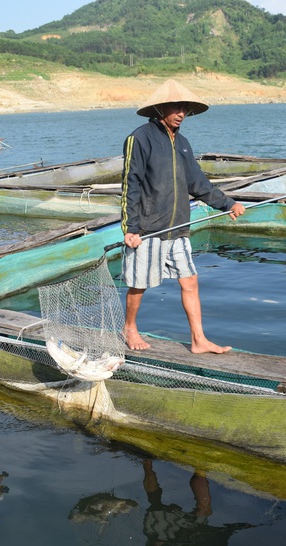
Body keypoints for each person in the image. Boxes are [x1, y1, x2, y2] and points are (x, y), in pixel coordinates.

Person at [121, 79, 245, 354]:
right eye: (176, 107)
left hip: (179, 227)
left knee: (190, 281)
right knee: (139, 284)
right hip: (148, 227)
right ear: (160, 108)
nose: (181, 113)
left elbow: (198, 184)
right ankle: (129, 328)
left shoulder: (184, 143)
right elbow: (131, 184)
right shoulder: (139, 138)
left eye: (185, 109)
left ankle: (199, 340)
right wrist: (131, 228)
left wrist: (228, 204)